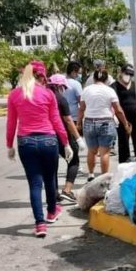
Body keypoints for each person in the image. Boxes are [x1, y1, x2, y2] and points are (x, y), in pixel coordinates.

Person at [6, 61, 72, 238]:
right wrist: (66, 143)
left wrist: (9, 146)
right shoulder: (48, 94)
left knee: (35, 183)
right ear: (42, 76)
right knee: (50, 179)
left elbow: (11, 123)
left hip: (25, 142)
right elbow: (57, 121)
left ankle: (40, 224)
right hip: (48, 141)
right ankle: (52, 212)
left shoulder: (14, 95)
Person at [78, 69, 132, 178]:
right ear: (106, 79)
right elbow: (118, 110)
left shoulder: (86, 90)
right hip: (105, 122)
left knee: (91, 151)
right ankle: (103, 178)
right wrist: (125, 123)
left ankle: (91, 174)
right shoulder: (110, 90)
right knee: (104, 153)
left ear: (94, 78)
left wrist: (78, 123)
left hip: (89, 122)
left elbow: (81, 109)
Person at [47, 74, 86, 203]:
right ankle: (67, 191)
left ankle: (54, 194)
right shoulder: (60, 99)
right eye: (63, 87)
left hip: (46, 135)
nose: (64, 89)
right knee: (74, 160)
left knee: (52, 166)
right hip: (62, 135)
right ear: (59, 86)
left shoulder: (42, 96)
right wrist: (78, 138)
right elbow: (68, 121)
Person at [111, 64, 136, 163]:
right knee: (123, 141)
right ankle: (124, 161)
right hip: (121, 118)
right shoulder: (114, 86)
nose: (128, 76)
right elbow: (112, 104)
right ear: (121, 73)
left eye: (130, 74)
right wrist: (114, 116)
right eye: (126, 73)